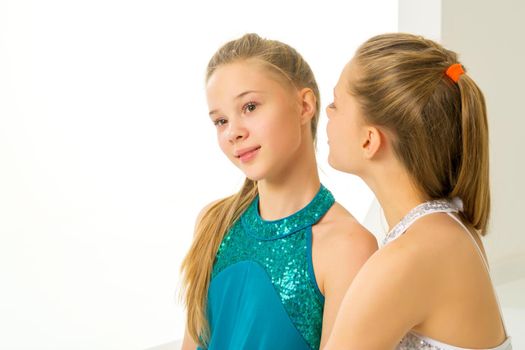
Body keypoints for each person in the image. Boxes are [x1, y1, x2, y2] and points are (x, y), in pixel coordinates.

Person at [179, 33, 377, 350]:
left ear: (304, 105)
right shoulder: (214, 223)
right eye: (220, 121)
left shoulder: (348, 246)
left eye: (250, 106)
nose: (233, 132)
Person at [323, 33, 512, 349]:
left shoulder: (407, 260)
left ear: (369, 140)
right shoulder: (448, 228)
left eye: (336, 104)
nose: (327, 114)